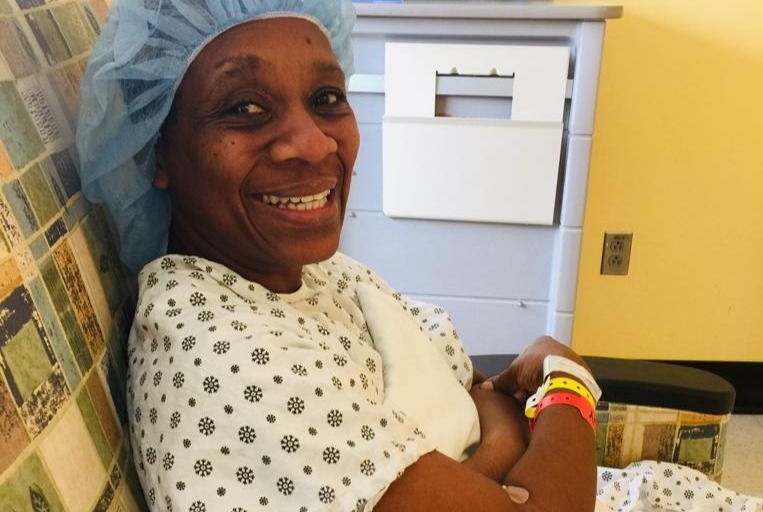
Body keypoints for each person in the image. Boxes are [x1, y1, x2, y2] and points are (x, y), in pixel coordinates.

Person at [76, 1, 600, 511]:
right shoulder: (221, 355)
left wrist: (494, 438)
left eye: (326, 97)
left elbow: (473, 389)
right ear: (156, 152)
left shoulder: (314, 275)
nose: (314, 144)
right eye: (245, 108)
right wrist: (567, 381)